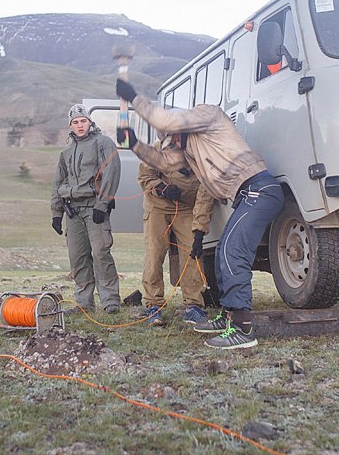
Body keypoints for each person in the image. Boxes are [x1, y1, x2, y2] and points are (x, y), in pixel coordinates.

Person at [116, 79, 283, 349]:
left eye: (172, 141)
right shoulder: (190, 151)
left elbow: (166, 122)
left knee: (232, 254)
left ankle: (242, 329)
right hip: (244, 196)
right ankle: (227, 316)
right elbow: (162, 161)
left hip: (258, 188)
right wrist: (134, 143)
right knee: (221, 254)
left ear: (179, 128)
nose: (173, 148)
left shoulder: (209, 115)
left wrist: (134, 99)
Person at [50, 103, 122, 314]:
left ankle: (110, 301)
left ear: (90, 122)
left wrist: (102, 204)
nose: (80, 125)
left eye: (83, 121)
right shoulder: (66, 152)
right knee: (78, 257)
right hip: (72, 211)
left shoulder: (103, 143)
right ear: (70, 125)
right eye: (75, 122)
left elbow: (112, 172)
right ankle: (84, 303)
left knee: (101, 253)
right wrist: (56, 213)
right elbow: (57, 183)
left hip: (94, 208)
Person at [138, 136, 213, 328]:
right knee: (154, 253)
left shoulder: (204, 157)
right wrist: (161, 188)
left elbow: (205, 197)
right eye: (176, 138)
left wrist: (199, 231)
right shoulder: (156, 149)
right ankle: (152, 305)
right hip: (157, 206)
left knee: (192, 253)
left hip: (187, 208)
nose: (179, 143)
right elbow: (145, 177)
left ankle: (193, 305)